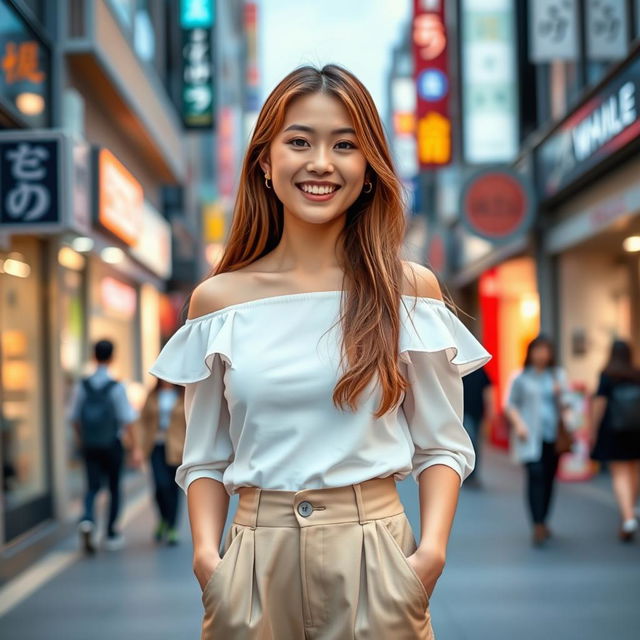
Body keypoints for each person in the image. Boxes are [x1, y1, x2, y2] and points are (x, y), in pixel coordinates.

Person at [149, 64, 491, 639]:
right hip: (254, 562)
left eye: (345, 145)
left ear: (367, 168)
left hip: (375, 557)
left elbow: (442, 445)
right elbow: (204, 455)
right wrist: (209, 563)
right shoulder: (218, 301)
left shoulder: (407, 290)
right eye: (299, 141)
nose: (321, 163)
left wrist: (428, 556)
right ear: (264, 160)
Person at [68, 339, 143, 553]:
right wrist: (135, 448)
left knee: (92, 487)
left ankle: (88, 519)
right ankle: (111, 533)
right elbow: (127, 420)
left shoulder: (81, 386)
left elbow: (73, 417)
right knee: (113, 487)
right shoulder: (117, 387)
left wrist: (82, 439)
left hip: (90, 444)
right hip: (112, 443)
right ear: (112, 357)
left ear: (93, 356)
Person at [505, 335, 571, 547]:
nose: (542, 354)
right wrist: (519, 424)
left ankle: (544, 519)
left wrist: (561, 396)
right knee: (535, 476)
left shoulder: (557, 376)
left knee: (550, 480)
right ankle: (537, 524)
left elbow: (570, 404)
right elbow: (510, 404)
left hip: (553, 437)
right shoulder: (521, 377)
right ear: (531, 352)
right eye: (538, 350)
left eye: (546, 350)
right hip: (529, 437)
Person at [589, 339, 640, 542]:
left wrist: (592, 430)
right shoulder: (636, 374)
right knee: (634, 471)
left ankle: (627, 517)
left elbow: (599, 404)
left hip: (614, 430)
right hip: (636, 431)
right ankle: (628, 513)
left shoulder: (607, 375)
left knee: (619, 474)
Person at [135, 377, 186, 546]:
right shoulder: (153, 394)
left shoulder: (183, 394)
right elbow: (142, 421)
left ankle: (171, 527)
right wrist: (138, 447)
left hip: (176, 448)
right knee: (159, 486)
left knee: (172, 488)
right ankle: (163, 518)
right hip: (155, 447)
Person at [462, 365, 494, 488]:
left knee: (476, 444)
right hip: (465, 413)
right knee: (472, 441)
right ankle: (467, 473)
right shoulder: (462, 369)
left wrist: (490, 411)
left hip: (478, 413)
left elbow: (488, 391)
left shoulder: (481, 371)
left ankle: (472, 474)